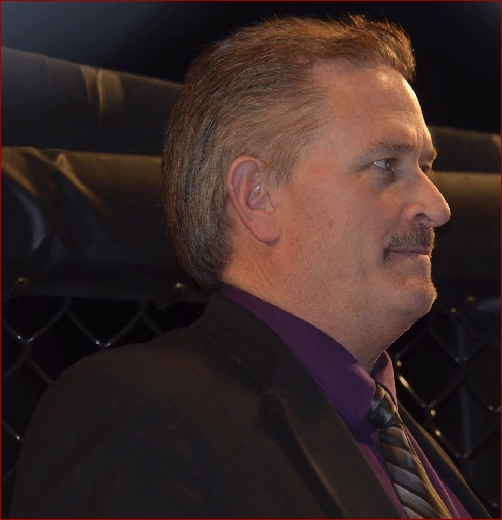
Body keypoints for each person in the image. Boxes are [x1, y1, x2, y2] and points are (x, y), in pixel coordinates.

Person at [10, 15, 490, 519]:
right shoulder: (139, 414)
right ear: (257, 197)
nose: (438, 207)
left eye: (425, 167)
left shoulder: (403, 439)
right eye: (386, 164)